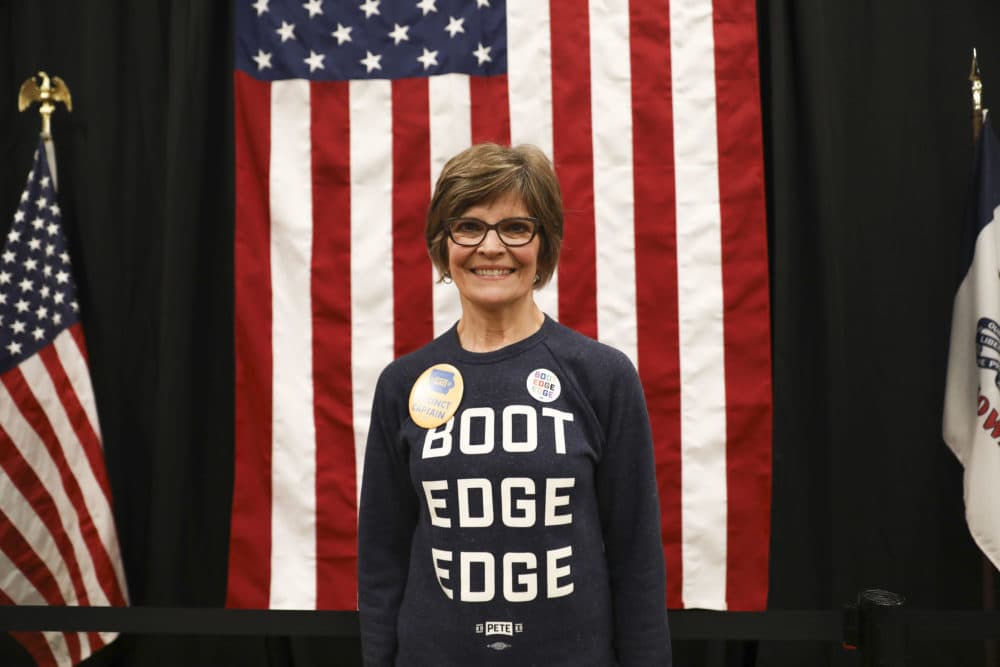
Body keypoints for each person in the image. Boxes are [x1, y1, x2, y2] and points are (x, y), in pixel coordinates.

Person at [357, 143, 672, 666]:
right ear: (443, 243)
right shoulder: (402, 384)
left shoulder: (602, 377)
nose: (491, 246)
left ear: (543, 244)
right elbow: (382, 559)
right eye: (469, 226)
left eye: (515, 228)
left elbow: (636, 558)